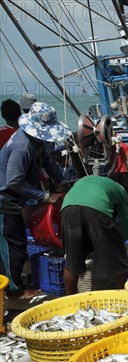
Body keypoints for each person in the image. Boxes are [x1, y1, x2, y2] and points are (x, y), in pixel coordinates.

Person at [0, 102, 69, 295]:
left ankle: (16, 282)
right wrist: (45, 196)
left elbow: (47, 161)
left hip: (17, 197)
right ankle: (14, 290)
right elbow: (14, 181)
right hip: (5, 199)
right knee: (12, 244)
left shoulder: (36, 143)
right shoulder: (22, 146)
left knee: (18, 241)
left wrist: (62, 181)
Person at [61, 176, 128, 295]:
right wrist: (118, 244)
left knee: (72, 262)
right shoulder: (122, 191)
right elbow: (125, 225)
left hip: (67, 209)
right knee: (119, 260)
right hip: (96, 208)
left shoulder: (99, 183)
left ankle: (69, 299)